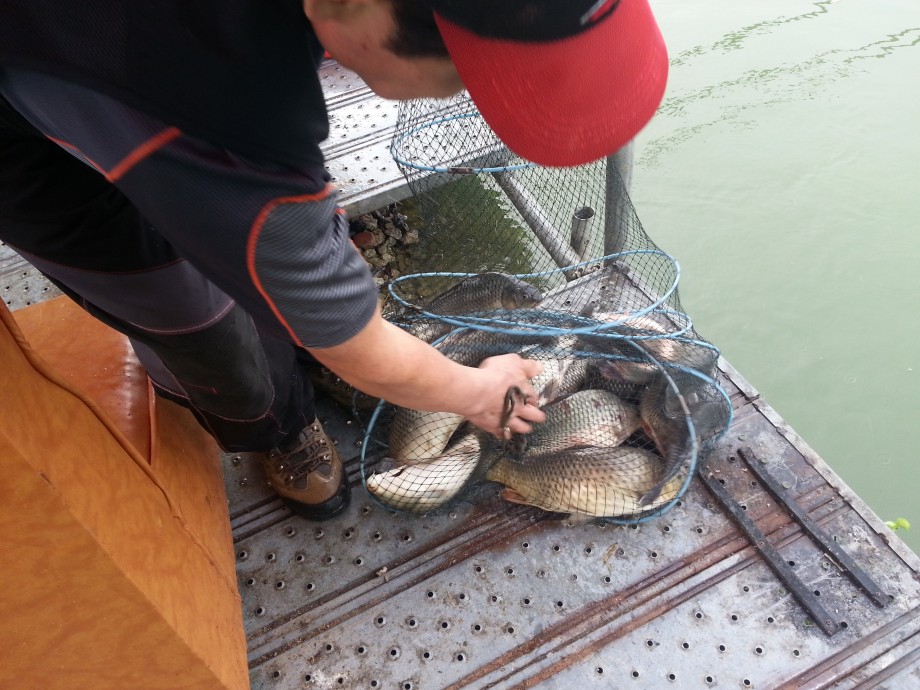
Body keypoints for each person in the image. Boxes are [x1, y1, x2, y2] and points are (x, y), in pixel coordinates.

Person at [0, 0, 668, 520]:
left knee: (275, 274)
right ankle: (277, 427)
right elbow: (353, 339)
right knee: (188, 314)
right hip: (32, 133)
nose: (456, 98)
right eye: (461, 77)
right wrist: (476, 394)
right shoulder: (230, 106)